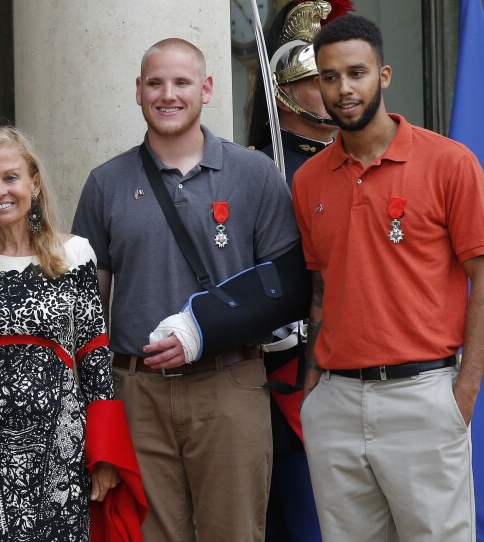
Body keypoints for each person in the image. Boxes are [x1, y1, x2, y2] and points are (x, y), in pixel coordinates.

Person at [73, 38, 303, 541]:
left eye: (181, 82)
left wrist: (207, 328)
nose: (168, 94)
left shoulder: (255, 175)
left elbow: (287, 289)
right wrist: (96, 406)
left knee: (234, 532)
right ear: (138, 91)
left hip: (230, 383)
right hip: (137, 391)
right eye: (155, 83)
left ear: (207, 88)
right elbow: (89, 309)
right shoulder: (105, 183)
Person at [293, 14, 484, 541]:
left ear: (384, 75)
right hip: (335, 401)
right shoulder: (308, 180)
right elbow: (321, 288)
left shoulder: (450, 163)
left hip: (423, 396)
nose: (343, 88)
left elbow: (482, 279)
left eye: (356, 72)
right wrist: (312, 394)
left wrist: (462, 393)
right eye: (329, 77)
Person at [0, 126, 145, 541]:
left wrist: (105, 452)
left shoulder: (74, 253)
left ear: (34, 183)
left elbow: (94, 356)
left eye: (10, 178)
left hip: (64, 447)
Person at [246, 2, 346, 541]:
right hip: (281, 372)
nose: (333, 90)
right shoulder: (255, 166)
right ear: (284, 86)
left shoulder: (355, 164)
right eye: (318, 78)